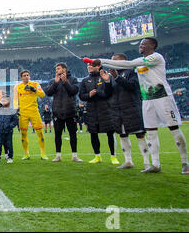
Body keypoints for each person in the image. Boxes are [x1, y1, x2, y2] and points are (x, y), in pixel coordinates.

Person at [96, 37, 188, 174]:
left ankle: (185, 162)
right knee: (150, 132)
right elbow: (127, 67)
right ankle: (155, 164)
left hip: (162, 97)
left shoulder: (156, 57)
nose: (141, 46)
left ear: (152, 45)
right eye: (140, 44)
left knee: (173, 128)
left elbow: (128, 64)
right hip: (147, 99)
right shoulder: (139, 65)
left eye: (143, 44)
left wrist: (101, 61)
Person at [106, 54, 151, 170]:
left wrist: (117, 78)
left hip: (132, 108)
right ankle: (128, 161)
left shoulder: (131, 72)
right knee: (122, 135)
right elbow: (108, 93)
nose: (112, 62)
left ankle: (146, 162)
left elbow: (132, 86)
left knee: (139, 134)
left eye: (115, 60)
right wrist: (107, 82)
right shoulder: (112, 76)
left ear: (123, 61)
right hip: (118, 110)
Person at [79, 59, 119, 165]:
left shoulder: (106, 76)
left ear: (97, 66)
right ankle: (97, 156)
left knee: (110, 133)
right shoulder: (84, 80)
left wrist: (98, 91)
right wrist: (89, 95)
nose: (89, 66)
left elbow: (109, 93)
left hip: (105, 108)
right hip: (91, 109)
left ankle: (113, 156)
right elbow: (81, 96)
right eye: (88, 65)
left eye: (91, 65)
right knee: (93, 133)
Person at [44, 63, 83, 162]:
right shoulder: (53, 81)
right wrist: (56, 83)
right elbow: (48, 92)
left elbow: (74, 91)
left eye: (58, 68)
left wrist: (65, 82)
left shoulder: (73, 79)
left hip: (70, 111)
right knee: (57, 134)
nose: (57, 70)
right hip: (57, 112)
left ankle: (74, 156)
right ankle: (58, 155)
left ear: (64, 69)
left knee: (73, 134)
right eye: (56, 69)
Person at [13, 70, 48, 160]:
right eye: (24, 75)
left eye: (28, 75)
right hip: (23, 113)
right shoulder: (17, 87)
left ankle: (43, 154)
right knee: (23, 134)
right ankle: (26, 154)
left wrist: (34, 90)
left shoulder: (35, 84)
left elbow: (43, 95)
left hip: (34, 112)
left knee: (40, 132)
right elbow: (15, 100)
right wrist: (16, 109)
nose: (26, 77)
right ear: (21, 78)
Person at [0, 97, 18, 163]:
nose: (3, 102)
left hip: (9, 131)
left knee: (9, 144)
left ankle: (10, 157)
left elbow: (15, 120)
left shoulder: (11, 110)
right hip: (1, 131)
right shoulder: (0, 110)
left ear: (8, 102)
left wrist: (11, 126)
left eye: (4, 100)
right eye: (2, 101)